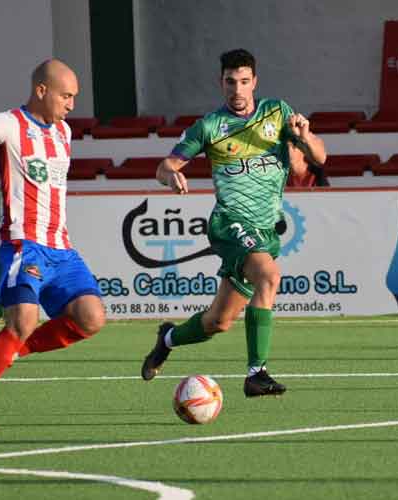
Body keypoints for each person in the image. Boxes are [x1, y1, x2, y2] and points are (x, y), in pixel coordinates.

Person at [140, 48, 326, 396]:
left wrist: (304, 135)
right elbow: (164, 166)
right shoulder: (210, 126)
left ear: (254, 81)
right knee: (269, 276)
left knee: (217, 322)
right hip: (230, 224)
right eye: (230, 82)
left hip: (265, 230)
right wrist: (171, 177)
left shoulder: (277, 112)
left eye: (243, 81)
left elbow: (319, 158)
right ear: (220, 82)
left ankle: (167, 339)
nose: (237, 89)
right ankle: (257, 373)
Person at [0, 59, 105, 428]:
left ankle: (11, 351)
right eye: (66, 96)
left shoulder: (64, 132)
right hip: (24, 244)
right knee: (23, 321)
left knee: (91, 318)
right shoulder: (10, 124)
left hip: (62, 249)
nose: (71, 104)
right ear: (41, 91)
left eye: (75, 97)